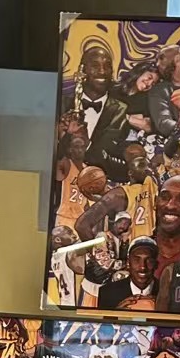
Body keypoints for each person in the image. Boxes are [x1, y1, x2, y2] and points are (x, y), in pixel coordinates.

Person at [61, 43, 129, 180]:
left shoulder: (122, 111)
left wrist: (87, 144)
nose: (102, 71)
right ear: (82, 70)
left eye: (107, 66)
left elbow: (123, 167)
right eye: (95, 65)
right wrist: (64, 136)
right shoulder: (62, 105)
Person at [97, 236, 158, 310]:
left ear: (156, 264)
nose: (143, 267)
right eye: (137, 260)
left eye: (149, 260)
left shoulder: (167, 293)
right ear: (128, 263)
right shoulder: (107, 292)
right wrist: (116, 313)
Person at [54, 130, 90, 233]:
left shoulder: (88, 170)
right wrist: (68, 133)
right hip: (64, 216)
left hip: (80, 220)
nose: (79, 150)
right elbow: (57, 156)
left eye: (82, 147)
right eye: (76, 147)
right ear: (70, 149)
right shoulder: (66, 164)